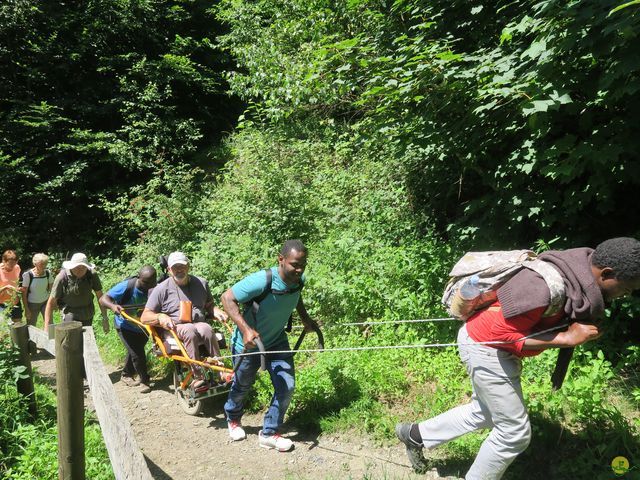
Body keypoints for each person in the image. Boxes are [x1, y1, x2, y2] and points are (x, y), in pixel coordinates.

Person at [396, 237, 640, 480]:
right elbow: (499, 335)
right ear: (606, 274)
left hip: (490, 345)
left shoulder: (579, 274)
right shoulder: (542, 286)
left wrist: (575, 329)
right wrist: (566, 338)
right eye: (627, 288)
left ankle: (415, 435)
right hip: (485, 346)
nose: (626, 295)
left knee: (487, 412)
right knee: (513, 433)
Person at [221, 239, 320, 452]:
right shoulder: (262, 280)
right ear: (281, 259)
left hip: (276, 341)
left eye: (303, 264)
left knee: (287, 386)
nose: (299, 269)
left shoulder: (299, 279)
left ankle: (269, 433)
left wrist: (305, 319)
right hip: (249, 344)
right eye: (295, 264)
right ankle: (232, 417)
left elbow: (296, 297)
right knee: (242, 385)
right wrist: (246, 329)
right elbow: (227, 298)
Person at [140, 252, 227, 387]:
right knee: (189, 329)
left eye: (182, 266)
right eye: (175, 267)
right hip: (176, 327)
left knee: (207, 328)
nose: (179, 270)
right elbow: (145, 316)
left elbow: (209, 305)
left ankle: (220, 371)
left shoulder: (201, 283)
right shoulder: (161, 289)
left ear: (188, 267)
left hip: (198, 322)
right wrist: (160, 316)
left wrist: (215, 310)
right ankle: (198, 376)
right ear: (169, 270)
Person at [99, 266, 157, 393]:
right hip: (125, 326)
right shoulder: (126, 286)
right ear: (138, 277)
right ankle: (144, 380)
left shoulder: (156, 288)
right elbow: (103, 299)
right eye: (145, 282)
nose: (148, 286)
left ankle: (126, 374)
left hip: (144, 326)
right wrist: (113, 306)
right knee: (137, 353)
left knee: (136, 351)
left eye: (151, 283)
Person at [44, 252, 109, 333]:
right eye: (77, 267)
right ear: (72, 266)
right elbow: (51, 302)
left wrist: (105, 318)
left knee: (85, 340)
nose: (80, 271)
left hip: (87, 313)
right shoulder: (62, 277)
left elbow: (100, 297)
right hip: (69, 313)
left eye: (83, 268)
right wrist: (47, 326)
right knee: (70, 341)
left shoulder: (91, 275)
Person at [21, 253, 54, 326]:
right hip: (32, 304)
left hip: (45, 302)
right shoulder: (28, 275)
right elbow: (24, 293)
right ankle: (31, 338)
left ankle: (51, 337)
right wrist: (26, 309)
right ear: (35, 264)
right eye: (41, 264)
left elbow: (52, 288)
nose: (44, 266)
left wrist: (53, 302)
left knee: (50, 324)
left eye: (45, 264)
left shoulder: (48, 273)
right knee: (31, 326)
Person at [0, 250, 23, 322]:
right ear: (4, 261)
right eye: (10, 264)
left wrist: (18, 289)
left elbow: (15, 283)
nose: (12, 267)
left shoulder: (17, 268)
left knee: (18, 326)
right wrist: (6, 287)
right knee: (4, 328)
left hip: (15, 302)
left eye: (14, 264)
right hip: (2, 303)